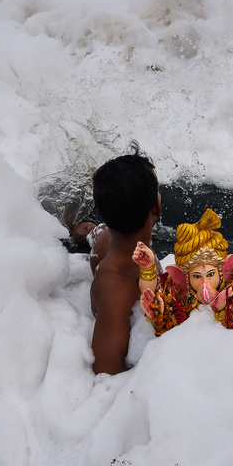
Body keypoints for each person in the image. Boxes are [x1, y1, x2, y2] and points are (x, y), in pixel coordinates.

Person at [130, 209, 233, 335]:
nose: (204, 282)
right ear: (183, 276)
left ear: (224, 270)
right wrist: (148, 269)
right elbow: (149, 290)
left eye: (210, 274)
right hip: (194, 348)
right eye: (196, 276)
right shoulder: (177, 292)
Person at [84, 145, 162, 375]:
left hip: (102, 241)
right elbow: (105, 371)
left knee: (91, 232)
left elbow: (98, 232)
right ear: (155, 209)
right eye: (158, 189)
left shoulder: (106, 235)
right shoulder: (119, 290)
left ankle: (80, 228)